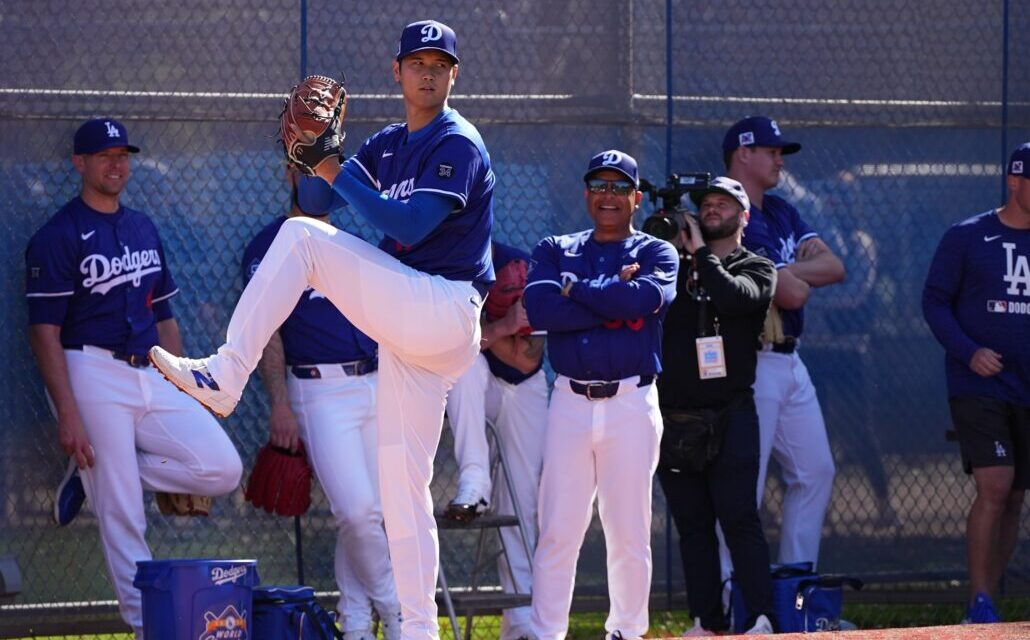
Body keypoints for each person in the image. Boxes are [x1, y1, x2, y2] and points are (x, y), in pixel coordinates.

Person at [148, 20, 494, 640]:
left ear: (453, 75)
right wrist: (310, 152)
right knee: (402, 491)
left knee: (300, 241)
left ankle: (227, 373)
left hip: (445, 306)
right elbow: (313, 195)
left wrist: (335, 168)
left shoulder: (456, 140)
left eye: (439, 63)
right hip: (410, 333)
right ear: (396, 72)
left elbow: (411, 227)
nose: (428, 71)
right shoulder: (389, 143)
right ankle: (419, 630)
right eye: (417, 61)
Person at [24, 118, 243, 637]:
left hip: (152, 371)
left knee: (221, 468)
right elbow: (43, 333)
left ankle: (96, 473)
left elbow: (165, 317)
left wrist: (187, 383)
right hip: (91, 369)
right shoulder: (57, 236)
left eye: (123, 154)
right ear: (80, 164)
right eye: (104, 156)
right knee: (125, 516)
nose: (116, 164)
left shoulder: (143, 226)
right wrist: (68, 413)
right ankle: (147, 626)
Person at [524, 150, 678, 640]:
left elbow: (641, 302)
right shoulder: (555, 247)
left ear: (636, 198)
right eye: (599, 186)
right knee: (557, 530)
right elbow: (542, 312)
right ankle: (547, 632)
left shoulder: (658, 252)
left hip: (631, 401)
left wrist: (578, 291)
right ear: (587, 193)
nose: (608, 196)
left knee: (628, 531)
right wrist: (610, 294)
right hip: (568, 400)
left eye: (619, 188)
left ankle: (627, 632)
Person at [243, 168, 401, 640]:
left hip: (376, 381)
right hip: (318, 390)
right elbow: (268, 331)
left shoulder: (350, 241)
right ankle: (399, 610)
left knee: (376, 514)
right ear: (290, 174)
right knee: (355, 512)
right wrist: (280, 405)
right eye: (311, 173)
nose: (322, 185)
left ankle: (354, 622)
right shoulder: (269, 245)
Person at [723, 116, 846, 569]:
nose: (780, 159)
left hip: (791, 359)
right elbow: (795, 292)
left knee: (816, 472)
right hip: (750, 361)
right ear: (743, 154)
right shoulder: (728, 212)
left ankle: (796, 591)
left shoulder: (781, 210)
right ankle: (731, 599)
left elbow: (835, 267)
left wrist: (785, 271)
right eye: (772, 151)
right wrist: (792, 274)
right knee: (746, 486)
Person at [656, 177, 777, 636]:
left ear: (743, 216)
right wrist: (673, 252)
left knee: (739, 518)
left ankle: (762, 618)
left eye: (723, 203)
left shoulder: (758, 266)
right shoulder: (675, 264)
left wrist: (702, 253)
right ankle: (706, 622)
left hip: (732, 413)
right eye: (705, 203)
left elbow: (736, 298)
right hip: (676, 415)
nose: (711, 209)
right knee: (693, 527)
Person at [922, 142, 1030, 624]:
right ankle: (979, 602)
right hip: (979, 385)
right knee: (995, 484)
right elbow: (935, 302)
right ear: (1014, 181)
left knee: (1015, 497)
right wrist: (971, 352)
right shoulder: (968, 236)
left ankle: (990, 600)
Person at [443, 241, 548, 640]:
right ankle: (475, 481)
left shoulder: (519, 263)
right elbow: (454, 345)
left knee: (522, 497)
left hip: (526, 387)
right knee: (465, 363)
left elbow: (527, 358)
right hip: (476, 381)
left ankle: (520, 622)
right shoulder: (440, 261)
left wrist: (479, 332)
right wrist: (502, 328)